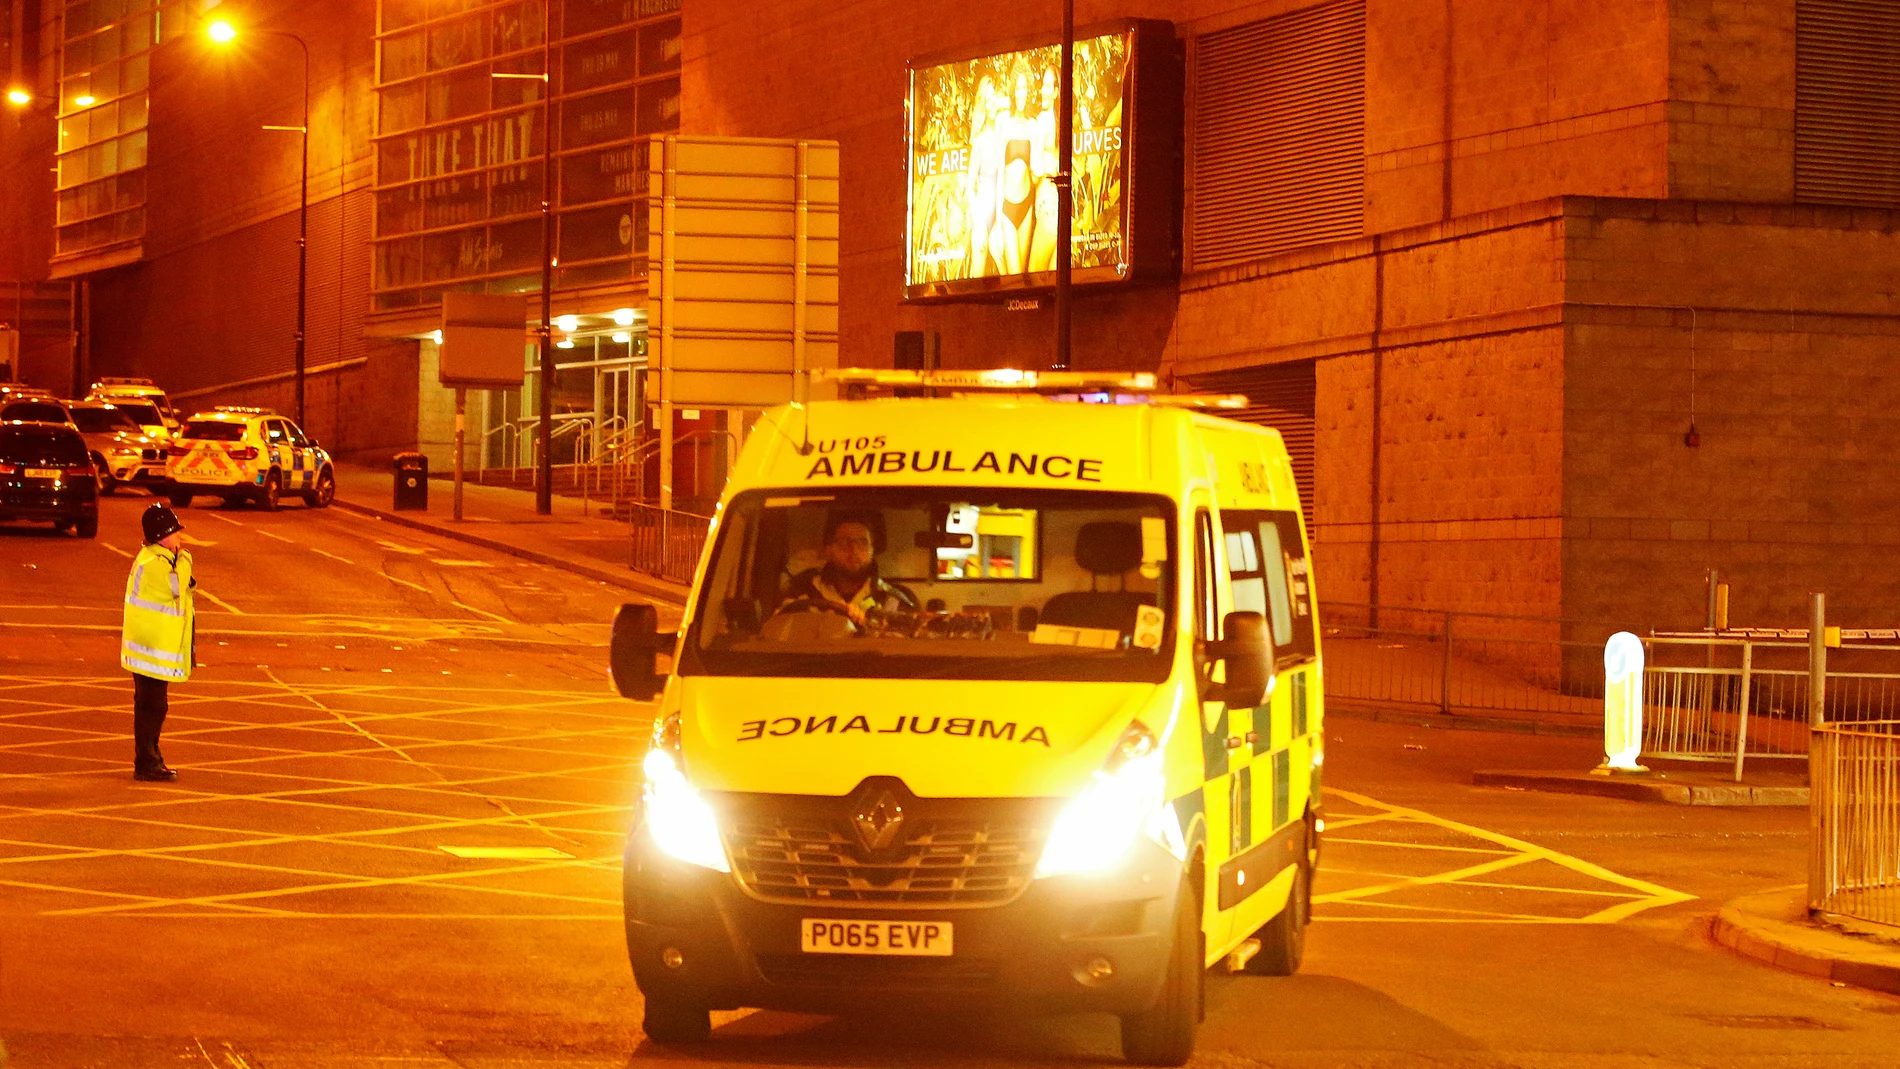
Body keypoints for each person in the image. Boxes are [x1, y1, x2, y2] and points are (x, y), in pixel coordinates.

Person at [121, 504, 195, 782]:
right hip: (149, 650)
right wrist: (185, 558)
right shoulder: (155, 563)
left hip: (148, 647)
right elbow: (177, 588)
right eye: (176, 533)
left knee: (151, 706)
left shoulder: (156, 559)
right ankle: (147, 763)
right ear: (163, 536)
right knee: (152, 707)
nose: (179, 539)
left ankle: (150, 759)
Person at [773, 513, 918, 630]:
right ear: (828, 550)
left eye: (862, 543)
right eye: (844, 542)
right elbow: (777, 630)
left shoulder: (893, 601)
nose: (853, 551)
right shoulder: (802, 590)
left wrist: (869, 625)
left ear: (872, 550)